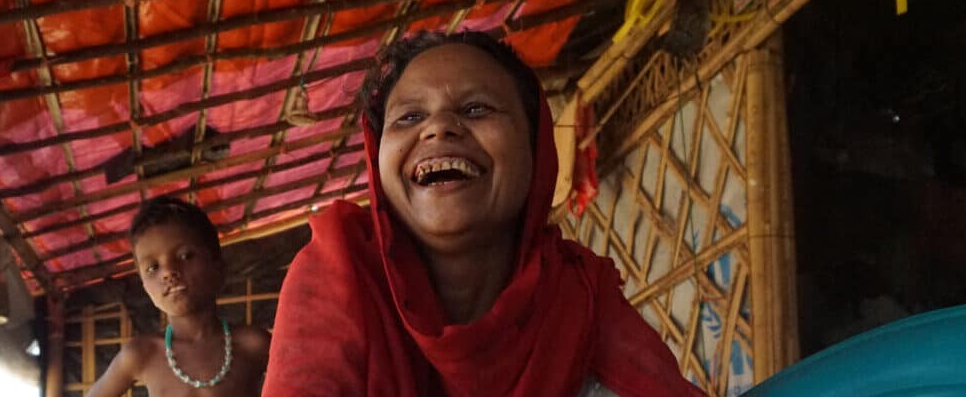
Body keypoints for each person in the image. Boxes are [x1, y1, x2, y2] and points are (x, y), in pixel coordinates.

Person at [262, 31, 706, 396]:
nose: (438, 127)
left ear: (537, 150)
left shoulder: (577, 292)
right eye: (409, 116)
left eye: (476, 109)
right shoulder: (338, 274)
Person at [88, 197, 270, 397]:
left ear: (217, 264)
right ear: (143, 284)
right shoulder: (142, 354)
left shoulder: (254, 345)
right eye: (153, 267)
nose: (168, 272)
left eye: (185, 256)